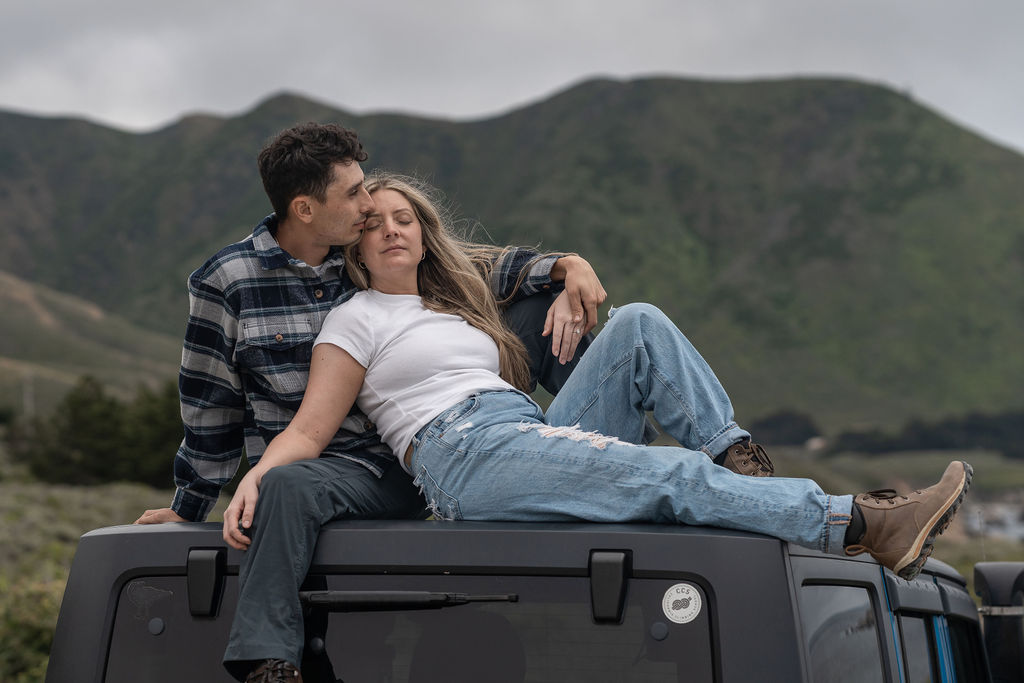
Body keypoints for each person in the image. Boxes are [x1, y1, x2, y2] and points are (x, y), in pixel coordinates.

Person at [223, 172, 971, 681]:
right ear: (353, 242)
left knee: (638, 323)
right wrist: (254, 479)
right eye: (375, 221)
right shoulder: (352, 321)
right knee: (669, 479)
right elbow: (310, 430)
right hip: (464, 454)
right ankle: (861, 522)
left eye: (405, 217)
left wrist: (566, 273)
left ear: (424, 230)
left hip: (522, 429)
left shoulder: (457, 298)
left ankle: (739, 461)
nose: (392, 228)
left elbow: (518, 267)